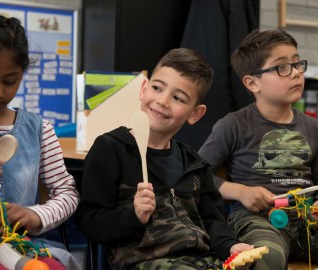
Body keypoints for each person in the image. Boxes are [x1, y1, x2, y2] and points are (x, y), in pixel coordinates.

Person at [75, 48, 253, 270]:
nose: (162, 101)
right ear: (143, 89)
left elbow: (213, 222)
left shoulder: (194, 162)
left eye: (178, 98)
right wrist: (134, 215)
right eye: (157, 88)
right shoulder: (110, 149)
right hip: (143, 262)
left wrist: (231, 246)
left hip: (201, 261)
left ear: (195, 114)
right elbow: (89, 219)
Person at [198, 29, 318, 269]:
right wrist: (239, 191)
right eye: (282, 67)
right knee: (266, 257)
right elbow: (196, 175)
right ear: (252, 82)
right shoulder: (233, 125)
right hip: (258, 221)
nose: (296, 73)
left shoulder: (314, 128)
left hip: (307, 222)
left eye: (297, 63)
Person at [0, 13, 80, 269]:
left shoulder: (40, 130)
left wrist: (36, 214)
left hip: (18, 248)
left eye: (10, 81)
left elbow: (66, 192)